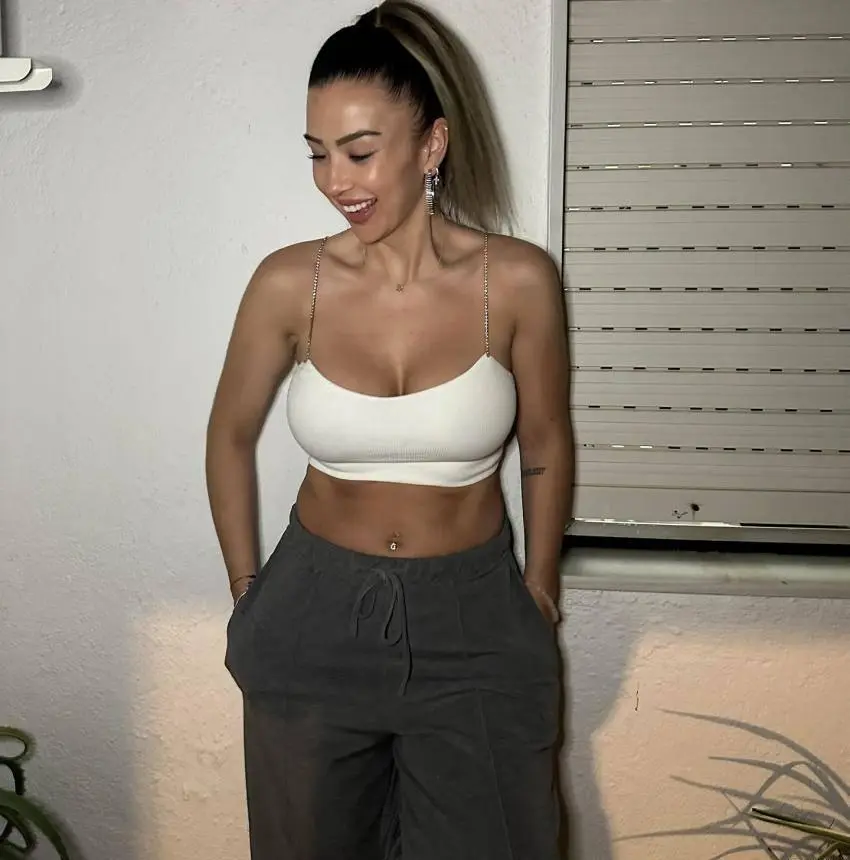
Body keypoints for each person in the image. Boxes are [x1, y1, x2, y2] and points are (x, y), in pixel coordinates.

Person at [205, 2, 574, 857]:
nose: (337, 180)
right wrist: (247, 591)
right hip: (312, 612)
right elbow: (228, 433)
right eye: (318, 153)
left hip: (475, 618)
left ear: (431, 144)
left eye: (360, 150)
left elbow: (547, 446)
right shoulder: (287, 283)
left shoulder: (517, 281)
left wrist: (540, 589)